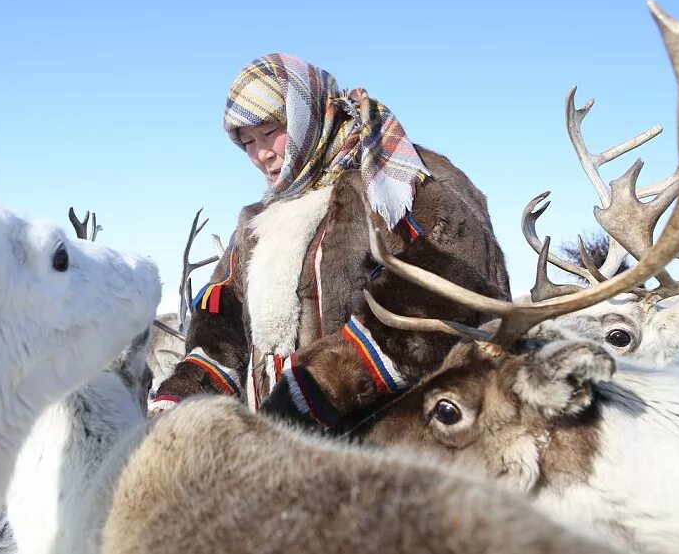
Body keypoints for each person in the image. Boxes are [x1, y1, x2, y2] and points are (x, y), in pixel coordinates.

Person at [150, 53, 510, 427]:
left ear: (307, 115)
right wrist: (179, 400)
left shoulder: (397, 180)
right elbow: (223, 324)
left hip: (396, 446)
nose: (261, 154)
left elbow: (456, 291)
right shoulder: (258, 221)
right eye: (247, 142)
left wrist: (317, 389)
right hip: (281, 448)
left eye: (271, 131)